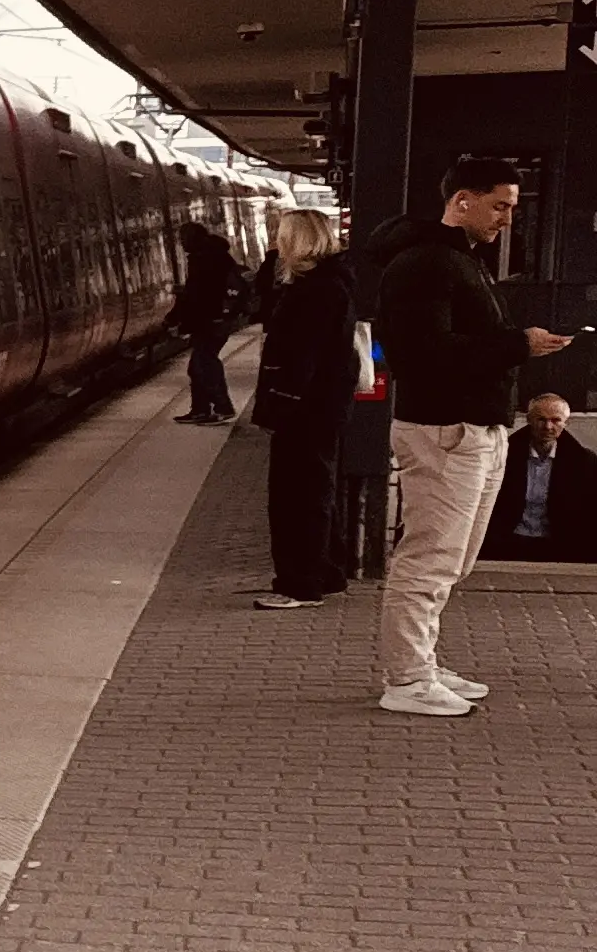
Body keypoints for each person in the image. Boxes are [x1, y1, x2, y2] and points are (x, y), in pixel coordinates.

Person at [369, 156, 577, 714]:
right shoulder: (424, 264)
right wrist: (517, 345)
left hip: (474, 429)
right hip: (444, 430)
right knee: (430, 558)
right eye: (500, 205)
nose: (508, 218)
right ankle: (407, 680)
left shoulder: (458, 260)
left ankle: (421, 663)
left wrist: (517, 342)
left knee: (452, 560)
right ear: (462, 200)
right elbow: (420, 353)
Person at [250, 205, 357, 607]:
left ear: (299, 241)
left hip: (305, 411)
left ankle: (301, 583)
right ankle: (327, 573)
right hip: (321, 408)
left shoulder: (314, 291)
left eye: (282, 235)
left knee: (298, 497)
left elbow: (301, 359)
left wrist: (277, 408)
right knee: (315, 491)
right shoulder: (332, 284)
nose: (277, 242)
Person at [487, 390, 597, 559]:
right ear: (529, 420)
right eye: (541, 419)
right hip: (507, 543)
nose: (548, 427)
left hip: (559, 546)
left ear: (565, 423)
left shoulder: (584, 462)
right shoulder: (502, 456)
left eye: (555, 420)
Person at [172, 217, 244, 422]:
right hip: (217, 319)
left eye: (183, 238)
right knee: (198, 365)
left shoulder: (202, 258)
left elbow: (198, 294)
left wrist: (176, 317)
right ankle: (200, 409)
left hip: (211, 320)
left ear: (193, 238)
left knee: (204, 364)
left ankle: (222, 407)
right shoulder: (216, 255)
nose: (181, 243)